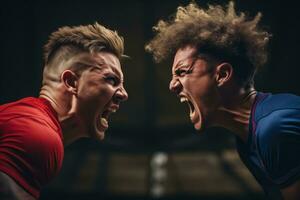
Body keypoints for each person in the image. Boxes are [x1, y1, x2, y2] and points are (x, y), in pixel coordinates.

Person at [146, 1, 300, 200]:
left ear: (222, 74)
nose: (172, 85)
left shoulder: (273, 128)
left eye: (182, 72)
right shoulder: (247, 139)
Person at [0, 22, 128, 199]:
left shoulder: (27, 120)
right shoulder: (39, 136)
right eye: (112, 80)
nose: (124, 94)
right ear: (71, 82)